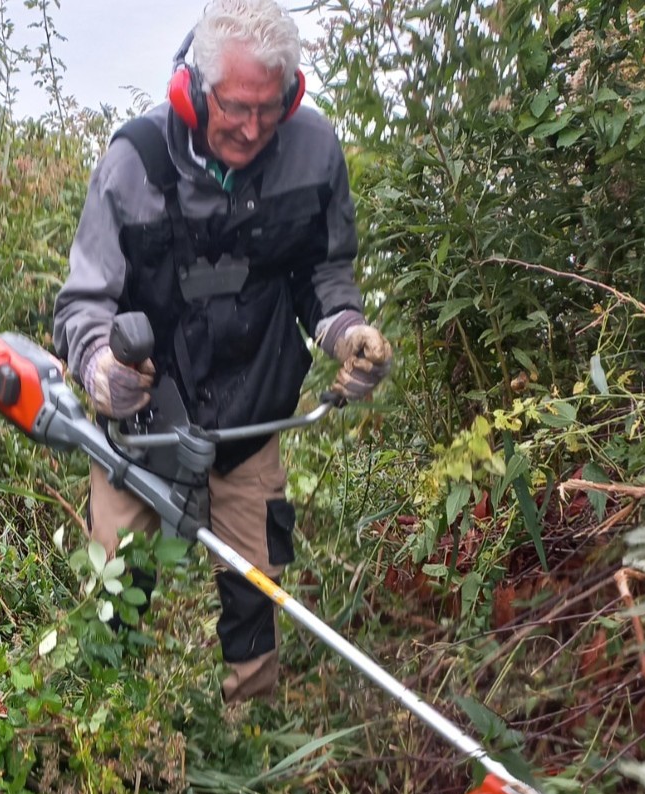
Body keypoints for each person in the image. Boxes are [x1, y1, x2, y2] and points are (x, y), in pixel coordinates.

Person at [51, 0, 393, 704]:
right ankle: (110, 732)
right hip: (139, 429)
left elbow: (322, 274)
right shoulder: (134, 163)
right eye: (237, 107)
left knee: (253, 592)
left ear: (290, 93)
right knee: (119, 595)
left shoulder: (312, 151)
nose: (252, 127)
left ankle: (252, 739)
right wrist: (100, 368)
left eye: (271, 108)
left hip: (248, 420)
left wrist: (346, 332)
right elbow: (82, 303)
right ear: (196, 89)